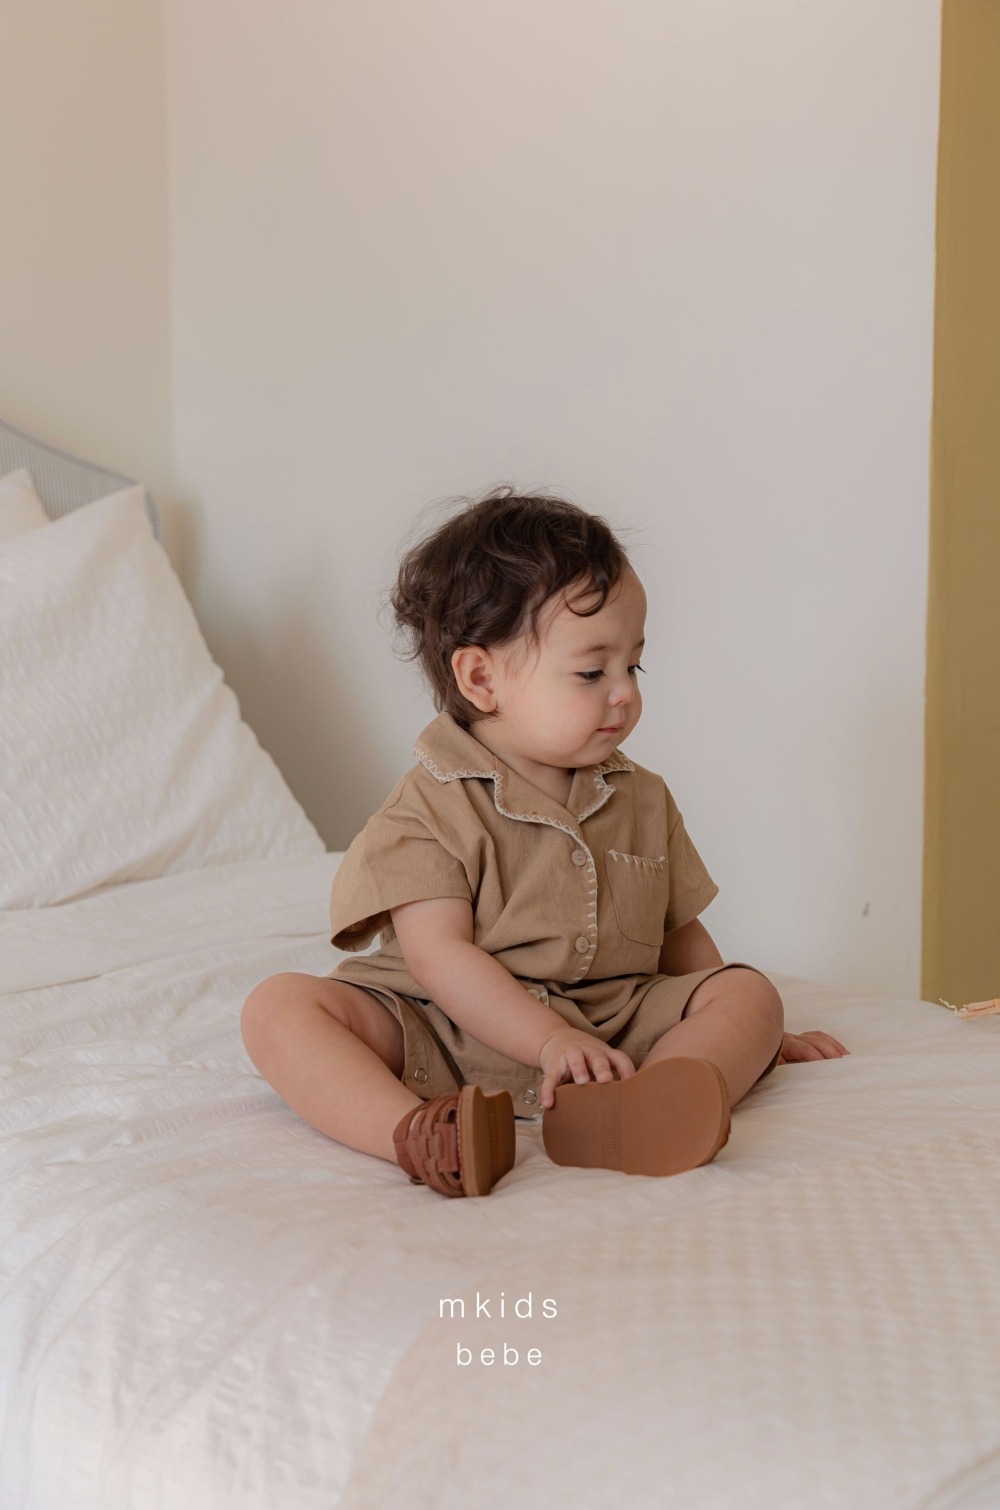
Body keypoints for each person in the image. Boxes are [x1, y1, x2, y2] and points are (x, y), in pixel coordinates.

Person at [241, 486, 848, 1199]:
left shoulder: (643, 797)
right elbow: (441, 959)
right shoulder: (428, 807)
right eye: (592, 672)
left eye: (633, 667)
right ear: (481, 678)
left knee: (748, 991)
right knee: (279, 1008)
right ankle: (420, 1133)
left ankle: (652, 1101)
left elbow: (678, 933)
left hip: (606, 1025)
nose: (623, 693)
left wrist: (748, 1034)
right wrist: (546, 1039)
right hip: (445, 1029)